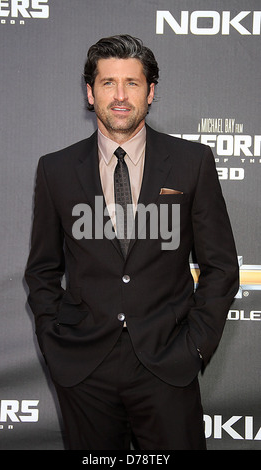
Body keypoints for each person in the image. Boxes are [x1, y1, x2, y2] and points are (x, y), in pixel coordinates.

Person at [25, 34, 239, 450]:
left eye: (133, 83)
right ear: (90, 93)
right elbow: (42, 270)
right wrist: (56, 343)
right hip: (84, 368)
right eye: (108, 83)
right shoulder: (56, 169)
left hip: (167, 363)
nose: (120, 96)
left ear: (151, 92)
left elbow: (221, 267)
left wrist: (194, 346)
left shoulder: (192, 162)